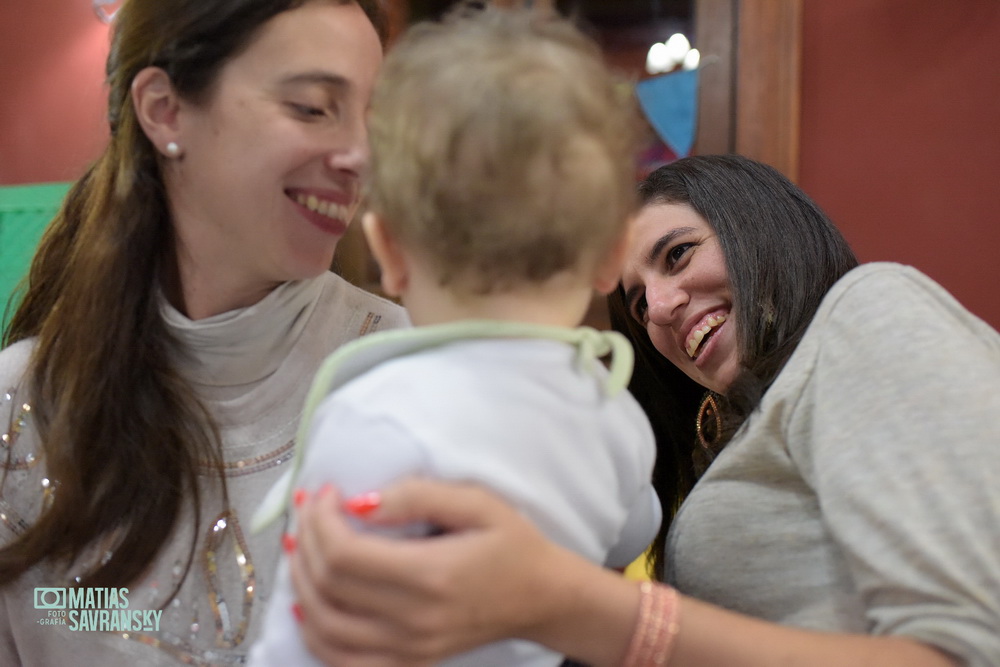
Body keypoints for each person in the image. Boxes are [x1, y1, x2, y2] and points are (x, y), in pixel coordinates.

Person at [285, 155, 1000, 666]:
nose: (658, 308)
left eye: (679, 254)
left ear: (759, 224)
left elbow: (969, 646)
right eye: (635, 300)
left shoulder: (869, 311)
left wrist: (590, 612)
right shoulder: (703, 440)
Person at [0, 1, 412, 664]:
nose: (360, 155)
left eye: (371, 114)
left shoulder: (410, 381)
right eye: (312, 106)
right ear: (164, 110)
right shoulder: (18, 408)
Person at [247, 6, 659, 666]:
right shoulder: (616, 412)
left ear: (389, 251)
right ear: (615, 255)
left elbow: (302, 636)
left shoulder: (371, 415)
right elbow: (631, 530)